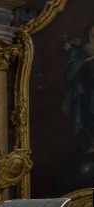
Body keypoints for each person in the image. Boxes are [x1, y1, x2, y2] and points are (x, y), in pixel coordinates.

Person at [62, 21, 94, 153]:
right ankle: (92, 141)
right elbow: (71, 66)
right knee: (88, 112)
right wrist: (88, 60)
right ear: (88, 30)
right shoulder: (80, 49)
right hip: (87, 86)